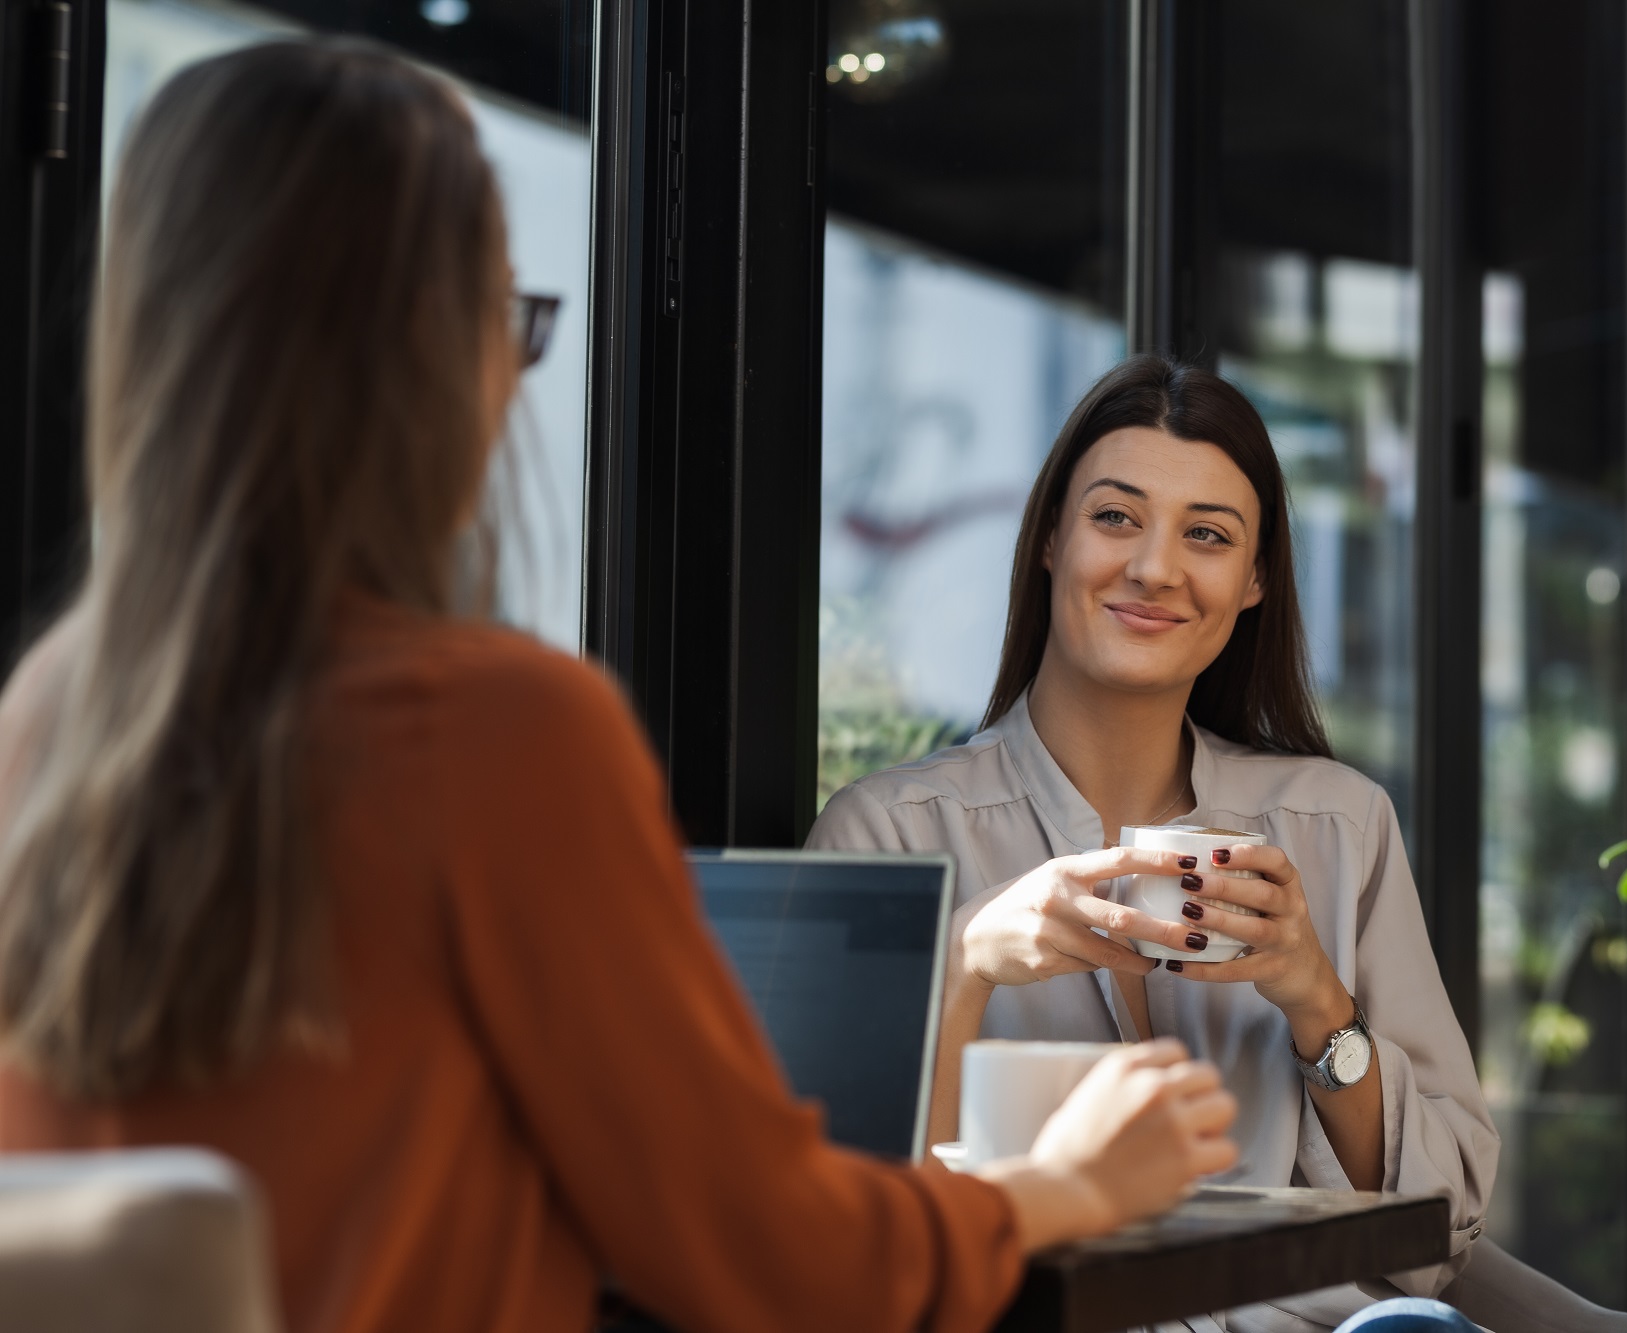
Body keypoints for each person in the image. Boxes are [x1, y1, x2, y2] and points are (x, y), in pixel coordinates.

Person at [0, 41, 1240, 1333]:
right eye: (508, 320)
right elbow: (778, 1257)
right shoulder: (494, 735)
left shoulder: (47, 718)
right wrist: (1067, 1185)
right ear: (424, 364)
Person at [810, 355, 1500, 1331]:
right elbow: (829, 1230)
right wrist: (962, 963)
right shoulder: (886, 835)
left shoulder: (1338, 827)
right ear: (1050, 536)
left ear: (1254, 579)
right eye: (1114, 516)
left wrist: (1316, 1002)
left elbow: (1449, 1227)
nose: (1153, 567)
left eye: (1207, 535)